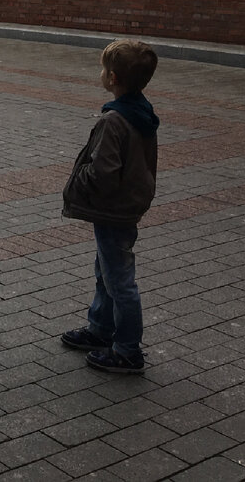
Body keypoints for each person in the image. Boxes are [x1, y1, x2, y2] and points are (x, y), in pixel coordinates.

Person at [61, 39, 159, 375]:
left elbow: (103, 171)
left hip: (112, 209)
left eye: (104, 69)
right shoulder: (142, 112)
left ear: (113, 78)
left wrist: (80, 179)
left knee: (119, 279)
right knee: (106, 271)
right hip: (127, 206)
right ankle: (100, 328)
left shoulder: (114, 120)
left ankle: (128, 349)